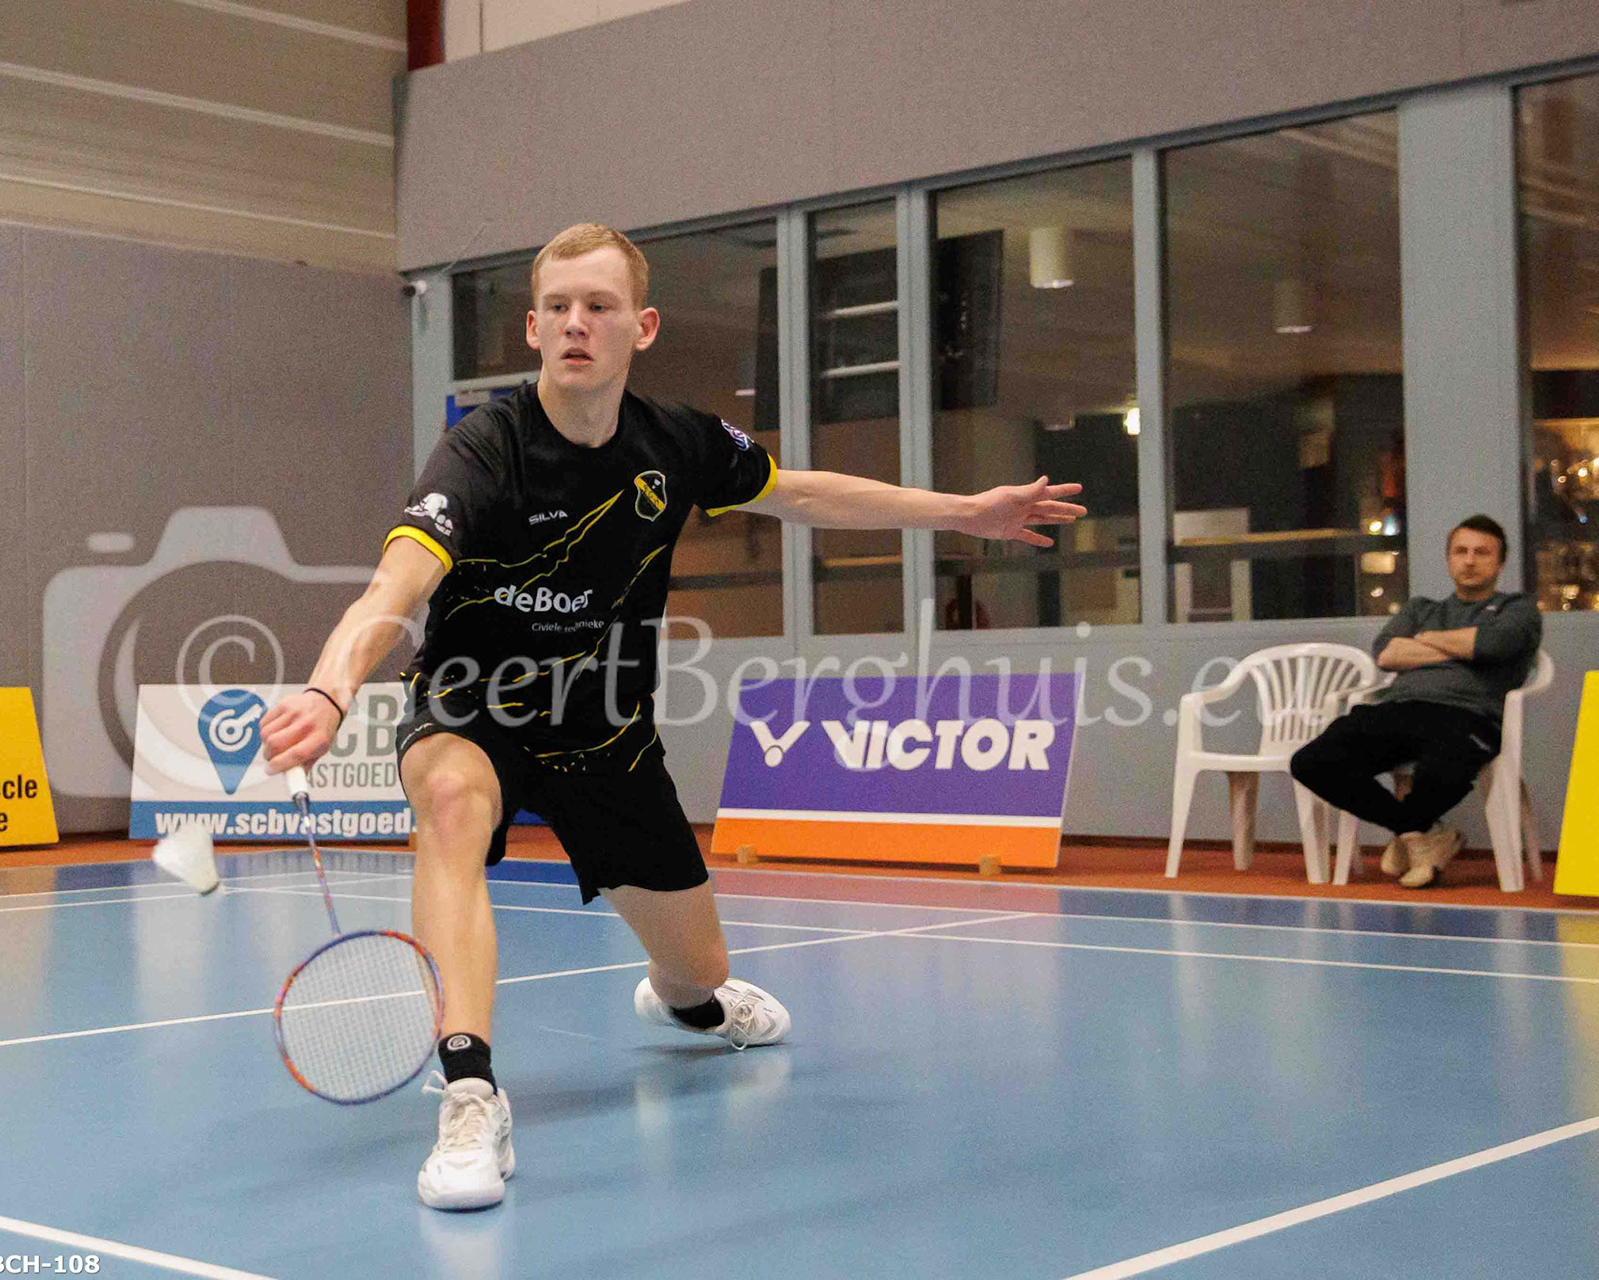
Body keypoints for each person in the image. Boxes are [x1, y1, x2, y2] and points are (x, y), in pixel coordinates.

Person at [257, 222, 1085, 1210]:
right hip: (471, 705)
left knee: (699, 968)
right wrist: (330, 686)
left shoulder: (679, 442)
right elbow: (395, 585)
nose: (576, 322)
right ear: (533, 328)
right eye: (557, 306)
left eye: (598, 305)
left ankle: (688, 1003)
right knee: (448, 800)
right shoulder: (483, 449)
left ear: (640, 326)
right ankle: (471, 1095)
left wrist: (964, 512)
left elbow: (802, 494)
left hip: (605, 730)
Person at [1289, 515, 1542, 889]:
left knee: (1444, 769)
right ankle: (1418, 832)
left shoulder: (1517, 608)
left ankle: (1411, 834)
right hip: (1399, 708)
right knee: (1311, 761)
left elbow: (1494, 644)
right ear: (1448, 559)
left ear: (1500, 562)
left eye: (1482, 552)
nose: (1470, 560)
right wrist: (1463, 647)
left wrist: (1424, 640)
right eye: (1461, 551)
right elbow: (1386, 653)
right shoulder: (1421, 609)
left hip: (1470, 715)